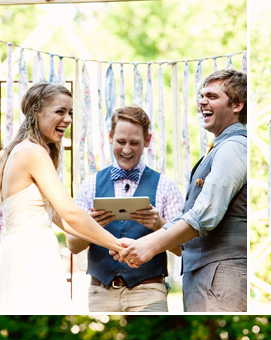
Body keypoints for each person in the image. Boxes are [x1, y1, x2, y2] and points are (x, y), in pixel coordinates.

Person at [113, 69, 247, 312]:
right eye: (201, 95)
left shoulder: (233, 148)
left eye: (212, 96)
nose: (202, 101)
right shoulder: (220, 147)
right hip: (207, 277)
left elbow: (204, 214)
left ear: (237, 104)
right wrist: (143, 241)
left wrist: (150, 245)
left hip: (222, 278)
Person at [0, 82, 124, 314]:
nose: (67, 119)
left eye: (70, 113)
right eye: (60, 112)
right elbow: (70, 213)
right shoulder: (32, 152)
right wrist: (117, 245)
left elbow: (59, 217)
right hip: (30, 253)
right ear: (36, 113)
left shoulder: (19, 150)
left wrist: (94, 229)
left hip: (20, 249)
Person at [67, 106, 183, 313]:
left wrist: (159, 225)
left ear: (147, 141)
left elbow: (185, 249)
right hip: (100, 293)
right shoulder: (90, 185)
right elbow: (73, 246)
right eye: (121, 142)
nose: (127, 150)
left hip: (149, 291)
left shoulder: (166, 186)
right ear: (110, 137)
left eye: (134, 143)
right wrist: (90, 227)